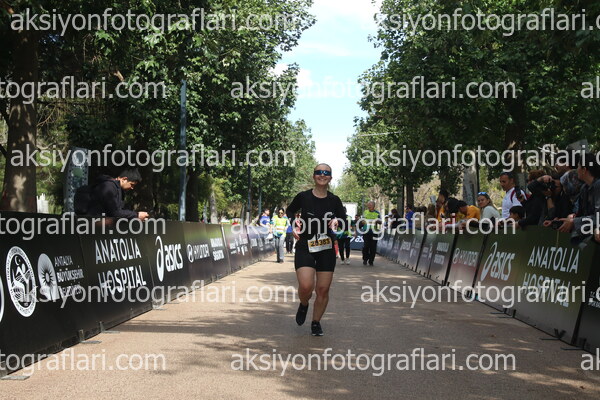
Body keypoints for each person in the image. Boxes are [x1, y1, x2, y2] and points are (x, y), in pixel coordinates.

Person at [286, 163, 347, 336]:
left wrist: (337, 221)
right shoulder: (303, 197)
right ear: (314, 176)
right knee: (306, 286)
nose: (322, 175)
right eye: (319, 172)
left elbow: (344, 220)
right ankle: (304, 303)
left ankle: (316, 322)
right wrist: (294, 223)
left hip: (326, 247)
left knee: (322, 289)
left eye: (326, 173)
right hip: (305, 245)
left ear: (330, 178)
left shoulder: (334, 200)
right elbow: (290, 211)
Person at [558, 153, 600, 240]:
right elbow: (582, 214)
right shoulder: (584, 189)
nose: (576, 170)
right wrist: (571, 218)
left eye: (578, 166)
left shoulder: (598, 186)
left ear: (584, 169)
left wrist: (574, 221)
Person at [361, 201, 381, 266]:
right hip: (366, 232)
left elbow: (380, 222)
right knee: (366, 246)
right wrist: (364, 222)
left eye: (370, 205)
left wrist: (376, 221)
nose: (368, 206)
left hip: (374, 232)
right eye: (368, 205)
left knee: (373, 247)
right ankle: (365, 259)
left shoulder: (377, 213)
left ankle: (371, 260)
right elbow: (362, 221)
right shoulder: (365, 212)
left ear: (373, 206)